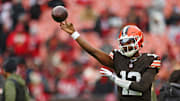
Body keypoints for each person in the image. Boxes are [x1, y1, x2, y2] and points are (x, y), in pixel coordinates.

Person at [59, 21, 161, 101]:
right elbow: (94, 52)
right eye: (123, 42)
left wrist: (114, 79)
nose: (126, 45)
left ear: (139, 41)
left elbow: (142, 87)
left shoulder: (150, 60)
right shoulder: (118, 57)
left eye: (129, 41)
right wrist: (74, 34)